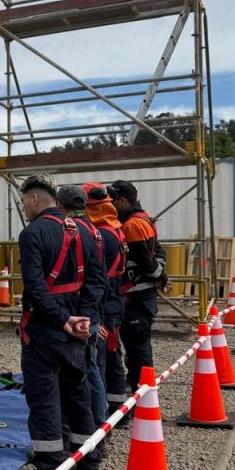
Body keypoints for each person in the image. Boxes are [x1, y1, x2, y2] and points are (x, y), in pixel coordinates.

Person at [8, 173, 105, 470]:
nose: (23, 207)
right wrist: (84, 319)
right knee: (79, 399)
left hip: (45, 333)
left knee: (46, 403)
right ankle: (89, 468)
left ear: (35, 200)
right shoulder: (86, 232)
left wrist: (64, 320)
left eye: (23, 201)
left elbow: (35, 288)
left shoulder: (32, 233)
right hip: (77, 332)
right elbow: (96, 282)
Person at [56, 185, 108, 431]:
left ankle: (87, 426)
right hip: (91, 311)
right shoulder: (95, 231)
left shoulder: (69, 231)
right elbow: (100, 278)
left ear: (60, 205)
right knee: (92, 368)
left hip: (74, 312)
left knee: (79, 373)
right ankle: (100, 423)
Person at [109, 180, 167, 395]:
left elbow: (145, 261)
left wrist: (158, 276)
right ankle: (139, 389)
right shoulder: (144, 219)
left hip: (135, 297)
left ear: (123, 201)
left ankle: (141, 395)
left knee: (137, 351)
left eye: (112, 201)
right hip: (141, 295)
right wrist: (161, 276)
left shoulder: (132, 225)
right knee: (138, 348)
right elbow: (159, 253)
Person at [82, 183, 128, 417]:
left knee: (99, 360)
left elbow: (99, 281)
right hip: (113, 301)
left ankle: (102, 416)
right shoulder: (115, 230)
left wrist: (95, 318)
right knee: (111, 355)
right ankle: (117, 405)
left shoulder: (102, 235)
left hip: (105, 305)